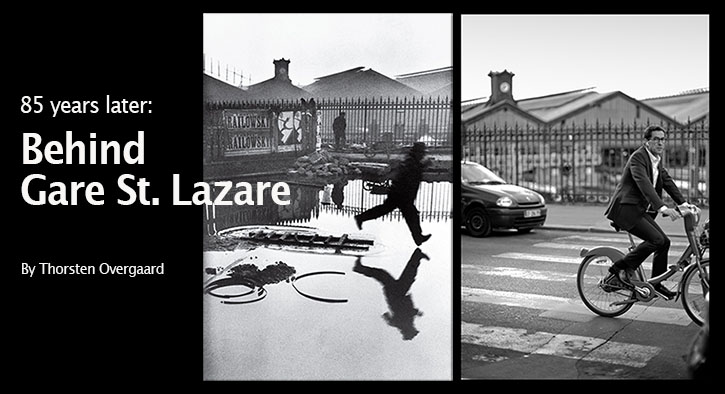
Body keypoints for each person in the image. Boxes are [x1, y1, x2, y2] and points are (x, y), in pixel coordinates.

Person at [604, 125, 688, 299]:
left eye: (662, 139)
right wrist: (662, 207)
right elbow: (644, 183)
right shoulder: (638, 158)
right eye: (656, 139)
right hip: (626, 210)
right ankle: (618, 269)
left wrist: (685, 204)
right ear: (647, 141)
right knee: (656, 240)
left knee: (664, 242)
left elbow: (667, 182)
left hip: (639, 210)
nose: (660, 142)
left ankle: (656, 284)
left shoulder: (656, 159)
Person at [354, 142, 431, 246]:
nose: (423, 155)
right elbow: (411, 174)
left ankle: (361, 217)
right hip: (401, 195)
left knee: (390, 211)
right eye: (422, 152)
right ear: (418, 153)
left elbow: (413, 172)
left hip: (401, 194)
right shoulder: (411, 162)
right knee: (410, 215)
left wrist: (422, 166)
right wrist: (423, 166)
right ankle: (418, 237)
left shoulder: (412, 161)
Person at [352, 248, 428, 340]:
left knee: (401, 275)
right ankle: (417, 256)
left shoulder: (404, 323)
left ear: (409, 330)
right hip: (397, 294)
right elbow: (389, 316)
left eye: (413, 330)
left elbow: (404, 313)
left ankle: (417, 256)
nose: (414, 328)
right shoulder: (402, 323)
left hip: (396, 294)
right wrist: (415, 313)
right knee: (404, 275)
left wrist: (416, 312)